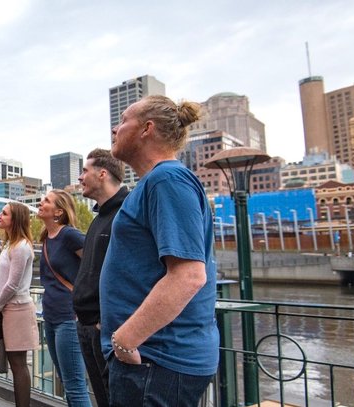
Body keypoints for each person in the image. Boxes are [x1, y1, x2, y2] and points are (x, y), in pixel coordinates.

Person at [102, 95, 218, 406]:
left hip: (157, 360)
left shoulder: (167, 179)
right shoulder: (156, 182)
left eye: (123, 120)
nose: (115, 128)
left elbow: (189, 275)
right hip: (151, 359)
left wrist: (126, 339)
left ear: (146, 129)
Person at [71, 148, 128, 406]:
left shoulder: (125, 214)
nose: (81, 177)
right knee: (102, 398)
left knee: (114, 397)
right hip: (86, 324)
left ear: (102, 173)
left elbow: (129, 273)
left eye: (85, 171)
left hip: (104, 328)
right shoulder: (99, 218)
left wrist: (104, 321)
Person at [37, 190, 90, 407]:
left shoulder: (69, 235)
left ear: (58, 211)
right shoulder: (47, 238)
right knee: (68, 383)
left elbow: (96, 265)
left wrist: (86, 301)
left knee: (75, 386)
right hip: (51, 316)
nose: (41, 202)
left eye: (47, 201)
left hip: (69, 317)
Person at [0, 202, 38, 407]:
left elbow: (13, 284)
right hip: (7, 309)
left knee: (18, 364)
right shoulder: (10, 245)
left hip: (17, 310)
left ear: (16, 220)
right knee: (15, 362)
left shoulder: (21, 246)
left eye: (4, 213)